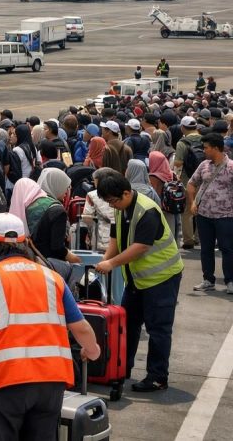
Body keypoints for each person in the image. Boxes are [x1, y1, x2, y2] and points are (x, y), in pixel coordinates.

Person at [0, 213, 100, 441]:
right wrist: (92, 350)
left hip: (5, 382)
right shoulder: (52, 278)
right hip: (51, 382)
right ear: (25, 244)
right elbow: (80, 327)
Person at [94, 170, 184, 393]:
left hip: (162, 279)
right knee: (128, 326)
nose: (111, 205)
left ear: (126, 193)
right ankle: (122, 368)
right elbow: (116, 239)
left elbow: (141, 247)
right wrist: (103, 262)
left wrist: (112, 264)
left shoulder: (147, 210)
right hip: (137, 281)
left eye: (113, 201)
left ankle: (157, 376)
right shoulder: (120, 208)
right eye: (108, 202)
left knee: (158, 329)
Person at [187, 132, 233, 293]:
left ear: (215, 148)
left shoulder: (231, 166)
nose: (204, 150)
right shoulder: (204, 165)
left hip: (226, 216)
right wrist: (193, 201)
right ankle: (208, 279)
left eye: (206, 147)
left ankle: (230, 280)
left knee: (227, 248)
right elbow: (191, 183)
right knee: (206, 249)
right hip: (204, 215)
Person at [174, 116, 203, 249]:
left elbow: (178, 162)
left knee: (187, 210)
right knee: (201, 208)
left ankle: (188, 240)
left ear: (182, 128)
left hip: (188, 179)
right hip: (204, 178)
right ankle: (199, 237)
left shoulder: (182, 143)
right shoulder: (204, 139)